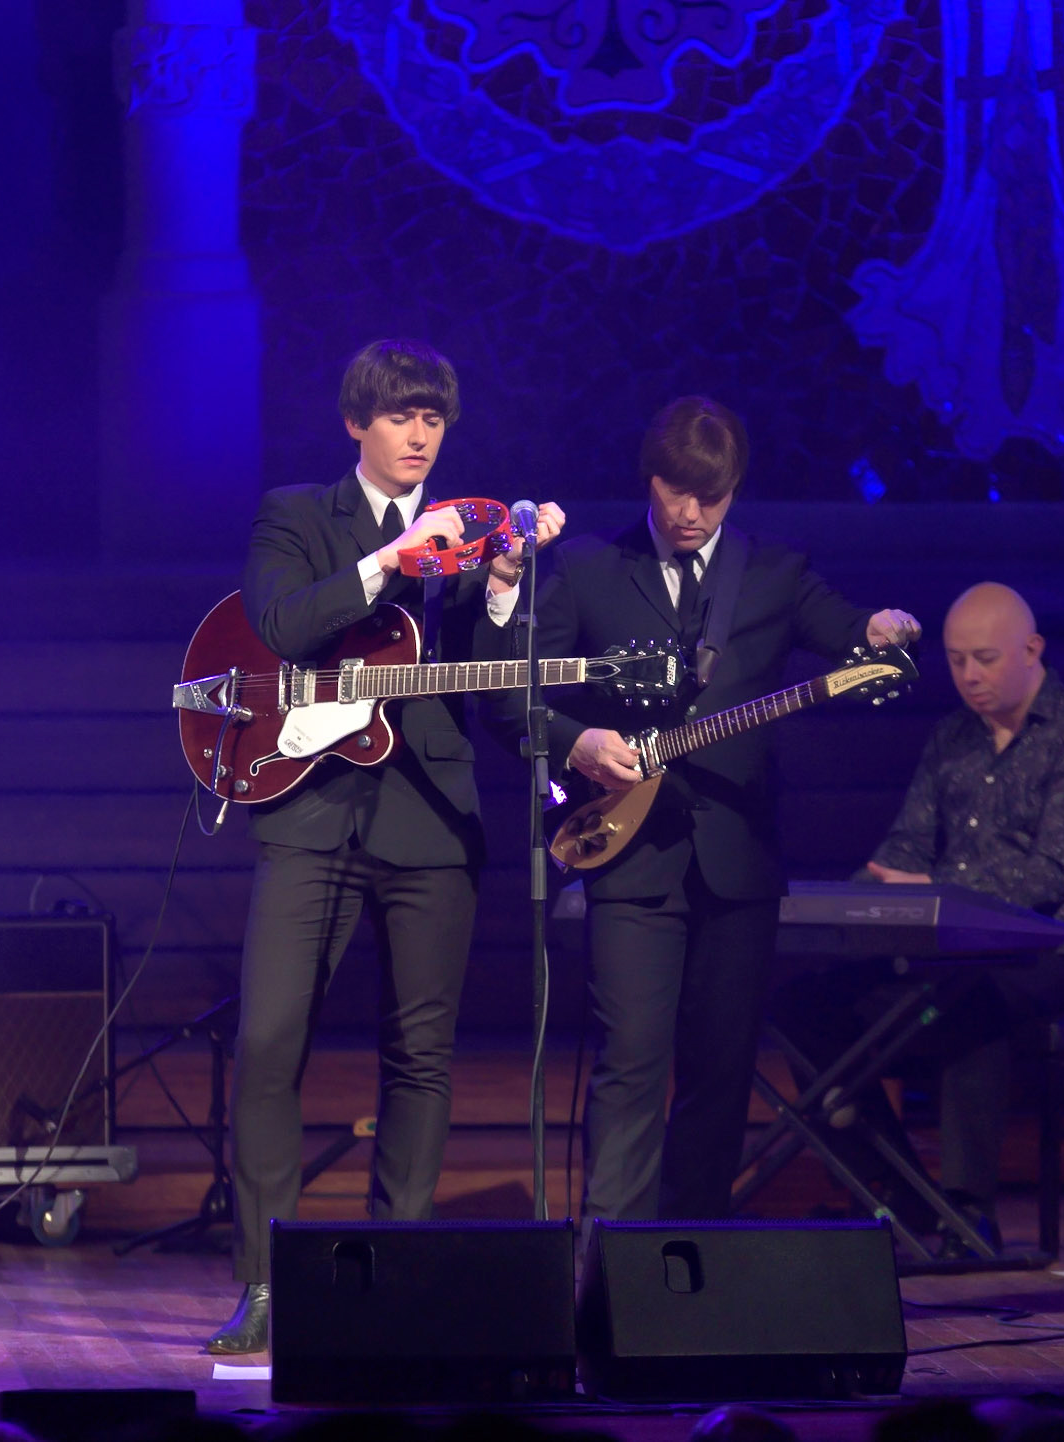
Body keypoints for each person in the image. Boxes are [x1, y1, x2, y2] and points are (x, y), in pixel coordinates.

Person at [205, 339, 563, 1354]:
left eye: (434, 419)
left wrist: (496, 586)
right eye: (402, 415)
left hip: (428, 817)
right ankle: (267, 1284)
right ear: (357, 421)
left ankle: (393, 1270)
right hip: (312, 813)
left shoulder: (469, 534)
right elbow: (279, 622)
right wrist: (386, 563)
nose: (419, 434)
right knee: (270, 1044)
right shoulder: (297, 515)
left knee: (420, 1054)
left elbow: (491, 680)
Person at [494, 395, 921, 1221]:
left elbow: (844, 628)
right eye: (676, 493)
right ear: (649, 479)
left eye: (712, 498)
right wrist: (579, 744)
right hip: (628, 859)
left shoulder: (773, 572)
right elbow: (515, 694)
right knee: (631, 1064)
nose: (691, 514)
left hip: (739, 867)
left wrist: (880, 625)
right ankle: (606, 1270)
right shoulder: (585, 568)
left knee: (722, 1075)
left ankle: (688, 1266)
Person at [858, 581, 1064, 1247]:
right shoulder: (951, 738)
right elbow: (904, 847)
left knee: (971, 1002)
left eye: (984, 658)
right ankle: (899, 1197)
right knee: (809, 1007)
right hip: (949, 954)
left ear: (1032, 649)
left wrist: (933, 886)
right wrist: (865, 893)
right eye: (955, 661)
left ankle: (965, 1211)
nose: (968, 677)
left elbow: (1050, 874)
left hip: (1056, 958)